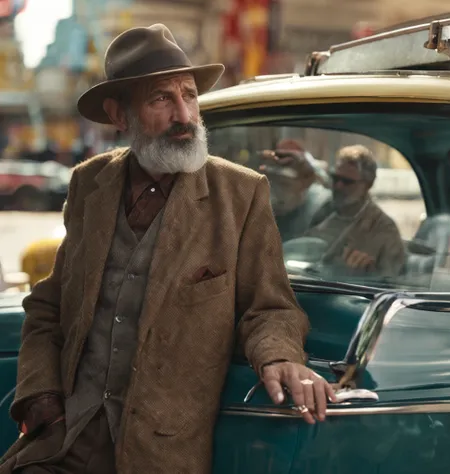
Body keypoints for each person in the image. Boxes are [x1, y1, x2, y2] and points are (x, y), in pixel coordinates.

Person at [0, 24, 336, 474]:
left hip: (158, 454)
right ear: (120, 116)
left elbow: (270, 307)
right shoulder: (88, 183)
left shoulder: (241, 193)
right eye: (162, 98)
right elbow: (49, 305)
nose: (185, 115)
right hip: (66, 441)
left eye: (190, 96)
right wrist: (41, 396)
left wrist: (280, 357)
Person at [305, 145, 405, 276]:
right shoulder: (322, 211)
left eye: (347, 181)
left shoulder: (383, 228)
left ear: (367, 185)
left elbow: (392, 281)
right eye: (335, 178)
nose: (338, 186)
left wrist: (365, 271)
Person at [258, 139, 331, 241]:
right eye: (272, 181)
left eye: (284, 184)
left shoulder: (319, 205)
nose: (276, 190)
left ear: (304, 183)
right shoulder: (261, 205)